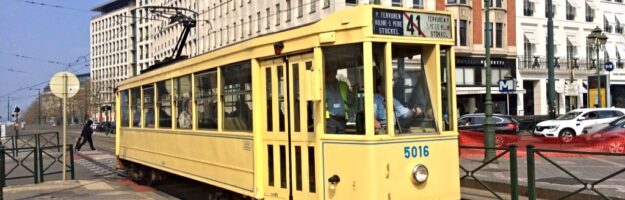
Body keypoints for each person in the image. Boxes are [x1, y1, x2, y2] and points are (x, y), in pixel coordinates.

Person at [325, 68, 353, 133]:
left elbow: (350, 101)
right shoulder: (322, 86)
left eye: (333, 72)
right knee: (331, 141)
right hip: (329, 120)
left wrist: (352, 94)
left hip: (342, 119)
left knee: (341, 141)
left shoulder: (343, 85)